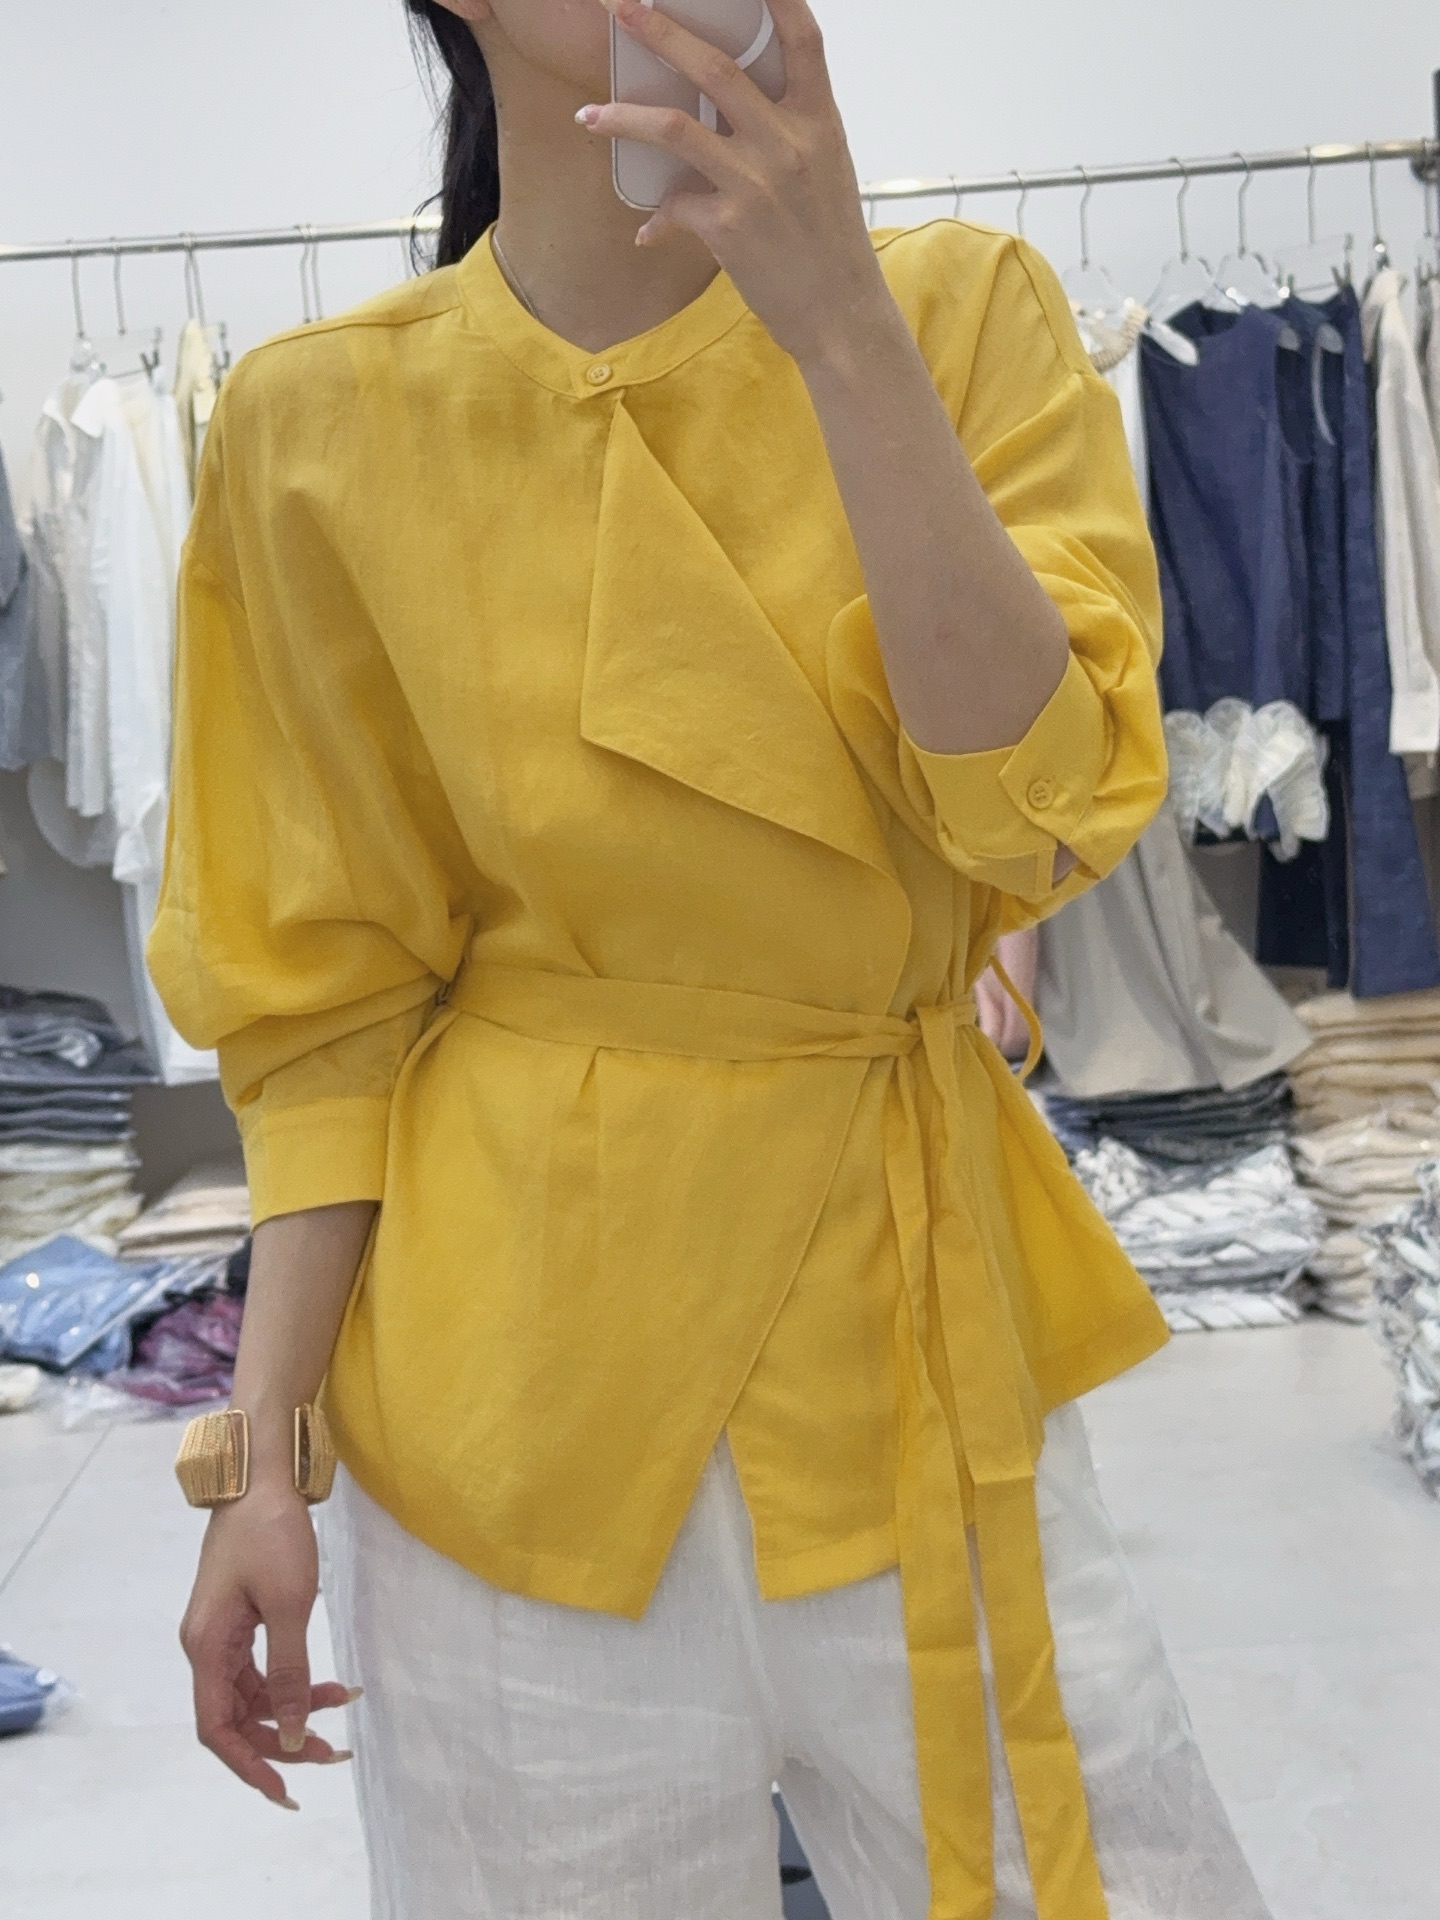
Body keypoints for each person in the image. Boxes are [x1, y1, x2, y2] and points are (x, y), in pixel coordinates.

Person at [149, 1, 1274, 1915]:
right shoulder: (318, 423)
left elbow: (1038, 819)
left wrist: (836, 326)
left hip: (909, 1355)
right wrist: (261, 1466)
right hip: (516, 1409)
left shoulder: (956, 313)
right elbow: (322, 1013)